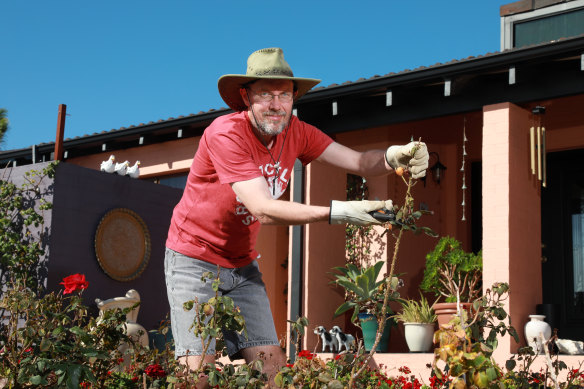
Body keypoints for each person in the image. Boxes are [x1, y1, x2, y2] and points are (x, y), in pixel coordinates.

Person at [164, 47, 428, 387]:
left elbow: (360, 162)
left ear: (294, 98)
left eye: (284, 95)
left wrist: (394, 157)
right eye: (265, 94)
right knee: (197, 375)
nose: (276, 104)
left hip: (242, 264)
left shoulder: (298, 132)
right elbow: (263, 208)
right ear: (246, 97)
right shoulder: (225, 133)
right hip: (193, 259)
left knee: (273, 372)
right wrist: (339, 211)